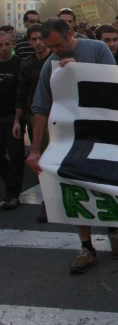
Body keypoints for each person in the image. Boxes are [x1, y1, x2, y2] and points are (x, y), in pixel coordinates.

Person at [26, 18, 118, 273]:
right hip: (70, 140)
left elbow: (116, 85)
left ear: (70, 33)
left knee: (106, 188)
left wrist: (79, 71)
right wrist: (35, 149)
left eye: (57, 45)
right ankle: (87, 247)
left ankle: (114, 230)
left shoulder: (97, 49)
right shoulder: (51, 63)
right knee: (75, 190)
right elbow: (41, 107)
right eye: (50, 47)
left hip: (104, 136)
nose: (54, 51)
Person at [12, 24, 51, 221]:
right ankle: (48, 202)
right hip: (37, 116)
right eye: (33, 39)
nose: (37, 43)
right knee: (42, 160)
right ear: (29, 42)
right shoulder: (26, 65)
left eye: (40, 38)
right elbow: (22, 94)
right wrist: (17, 121)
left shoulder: (57, 60)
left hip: (60, 115)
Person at [0, 31, 23, 210]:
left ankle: (12, 194)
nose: (4, 49)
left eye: (7, 44)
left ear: (12, 44)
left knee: (15, 155)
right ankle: (10, 182)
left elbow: (22, 94)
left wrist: (18, 119)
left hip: (13, 117)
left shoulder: (19, 64)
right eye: (0, 45)